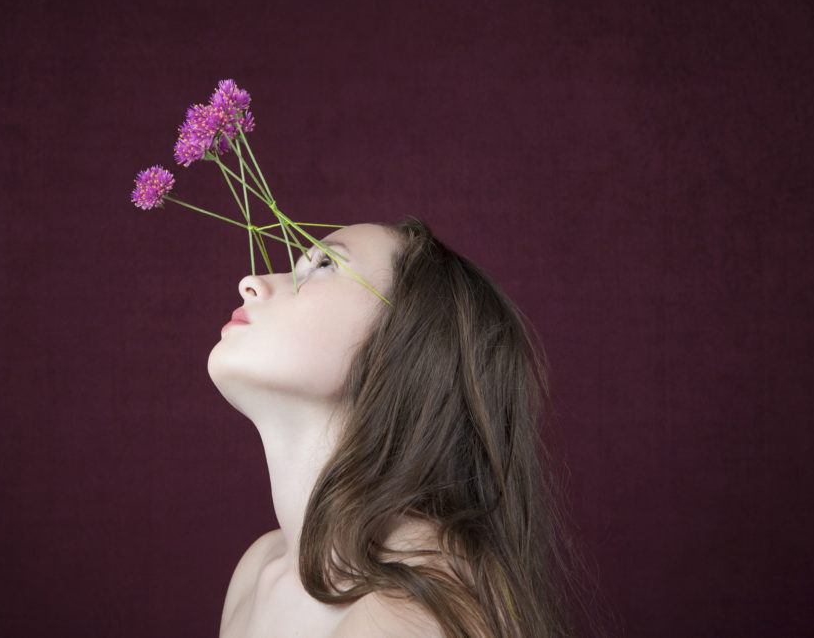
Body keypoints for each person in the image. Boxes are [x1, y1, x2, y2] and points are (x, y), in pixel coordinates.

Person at [209, 219, 582, 637]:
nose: (251, 283)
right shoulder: (260, 570)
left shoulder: (417, 612)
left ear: (409, 341)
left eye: (325, 265)